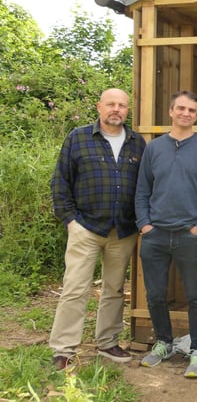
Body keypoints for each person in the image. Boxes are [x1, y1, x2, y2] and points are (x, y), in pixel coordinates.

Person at [49, 88, 146, 370]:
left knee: (114, 289)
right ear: (99, 107)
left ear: (128, 110)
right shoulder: (78, 138)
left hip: (123, 230)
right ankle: (64, 349)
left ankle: (107, 342)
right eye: (111, 104)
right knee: (75, 289)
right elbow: (61, 181)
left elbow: (145, 186)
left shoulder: (137, 143)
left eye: (122, 105)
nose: (116, 109)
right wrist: (69, 219)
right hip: (86, 228)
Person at [135, 90, 197, 379]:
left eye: (192, 110)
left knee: (196, 296)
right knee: (156, 295)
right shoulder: (154, 148)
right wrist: (145, 224)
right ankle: (164, 343)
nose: (186, 113)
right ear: (171, 112)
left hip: (190, 235)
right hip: (155, 234)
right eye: (181, 108)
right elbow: (142, 190)